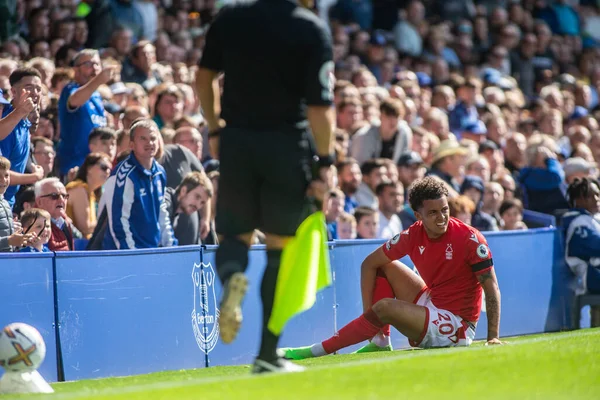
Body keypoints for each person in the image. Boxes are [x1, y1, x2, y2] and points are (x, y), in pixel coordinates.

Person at [196, 0, 335, 373]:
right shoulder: (310, 28)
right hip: (288, 145)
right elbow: (321, 107)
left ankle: (232, 277)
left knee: (234, 238)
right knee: (279, 247)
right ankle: (266, 355)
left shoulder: (231, 18)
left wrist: (214, 127)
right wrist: (326, 161)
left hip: (238, 142)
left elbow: (204, 77)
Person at [282, 177, 504, 360]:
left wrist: (492, 336)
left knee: (385, 307)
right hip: (432, 301)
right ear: (418, 216)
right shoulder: (412, 234)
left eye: (444, 210)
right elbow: (368, 263)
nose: (442, 217)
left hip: (457, 325)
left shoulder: (470, 239)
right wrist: (371, 321)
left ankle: (316, 351)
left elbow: (491, 287)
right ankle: (379, 340)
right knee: (381, 265)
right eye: (433, 213)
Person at [101, 119, 177, 249]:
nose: (149, 142)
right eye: (143, 138)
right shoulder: (123, 176)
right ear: (132, 144)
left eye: (153, 138)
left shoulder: (160, 172)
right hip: (126, 257)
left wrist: (171, 246)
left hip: (151, 252)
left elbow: (161, 213)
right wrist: (133, 254)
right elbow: (119, 223)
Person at [0, 68, 45, 206]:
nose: (35, 93)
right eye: (29, 87)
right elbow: (2, 173)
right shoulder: (7, 122)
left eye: (38, 89)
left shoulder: (25, 123)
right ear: (13, 91)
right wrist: (34, 177)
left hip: (9, 204)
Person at [562, 178, 600, 297]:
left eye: (597, 195)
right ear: (578, 201)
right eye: (589, 196)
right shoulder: (578, 222)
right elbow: (597, 246)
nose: (596, 199)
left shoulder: (592, 219)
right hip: (589, 278)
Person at [65, 153, 112, 238]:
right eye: (104, 167)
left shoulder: (90, 192)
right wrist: (110, 221)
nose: (108, 172)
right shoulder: (79, 189)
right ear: (89, 168)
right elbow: (85, 228)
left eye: (110, 169)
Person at [164, 171, 213, 245]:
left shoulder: (176, 211)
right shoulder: (166, 203)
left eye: (202, 202)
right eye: (197, 197)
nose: (198, 205)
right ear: (183, 190)